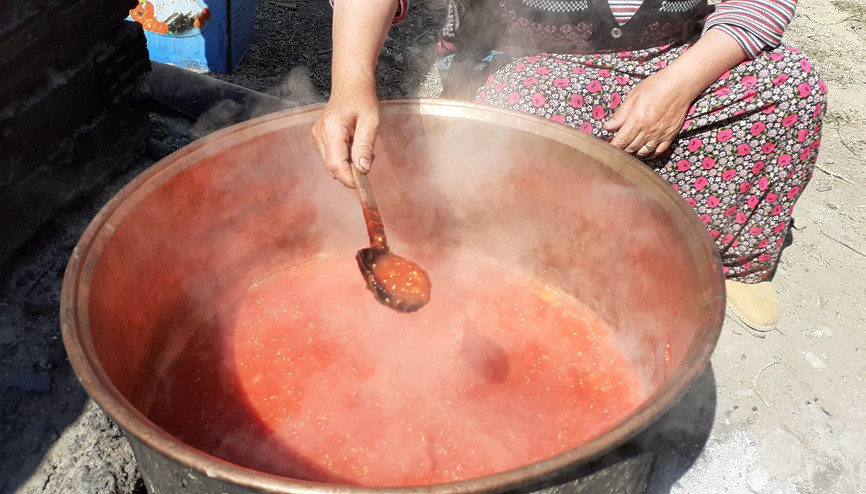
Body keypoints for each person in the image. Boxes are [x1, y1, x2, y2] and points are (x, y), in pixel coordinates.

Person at [311, 0, 827, 332]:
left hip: (672, 59)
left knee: (791, 89)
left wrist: (677, 85)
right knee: (517, 124)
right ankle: (525, 259)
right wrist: (351, 84)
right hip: (521, 63)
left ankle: (720, 258)